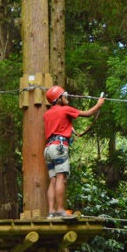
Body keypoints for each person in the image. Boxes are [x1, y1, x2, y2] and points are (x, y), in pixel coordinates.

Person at [43, 85, 104, 219]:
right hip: (59, 147)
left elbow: (60, 125)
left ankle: (51, 211)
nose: (67, 97)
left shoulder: (47, 114)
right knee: (61, 178)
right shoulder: (65, 110)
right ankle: (60, 210)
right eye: (64, 95)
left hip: (48, 149)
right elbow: (87, 114)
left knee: (53, 180)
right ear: (58, 99)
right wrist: (99, 104)